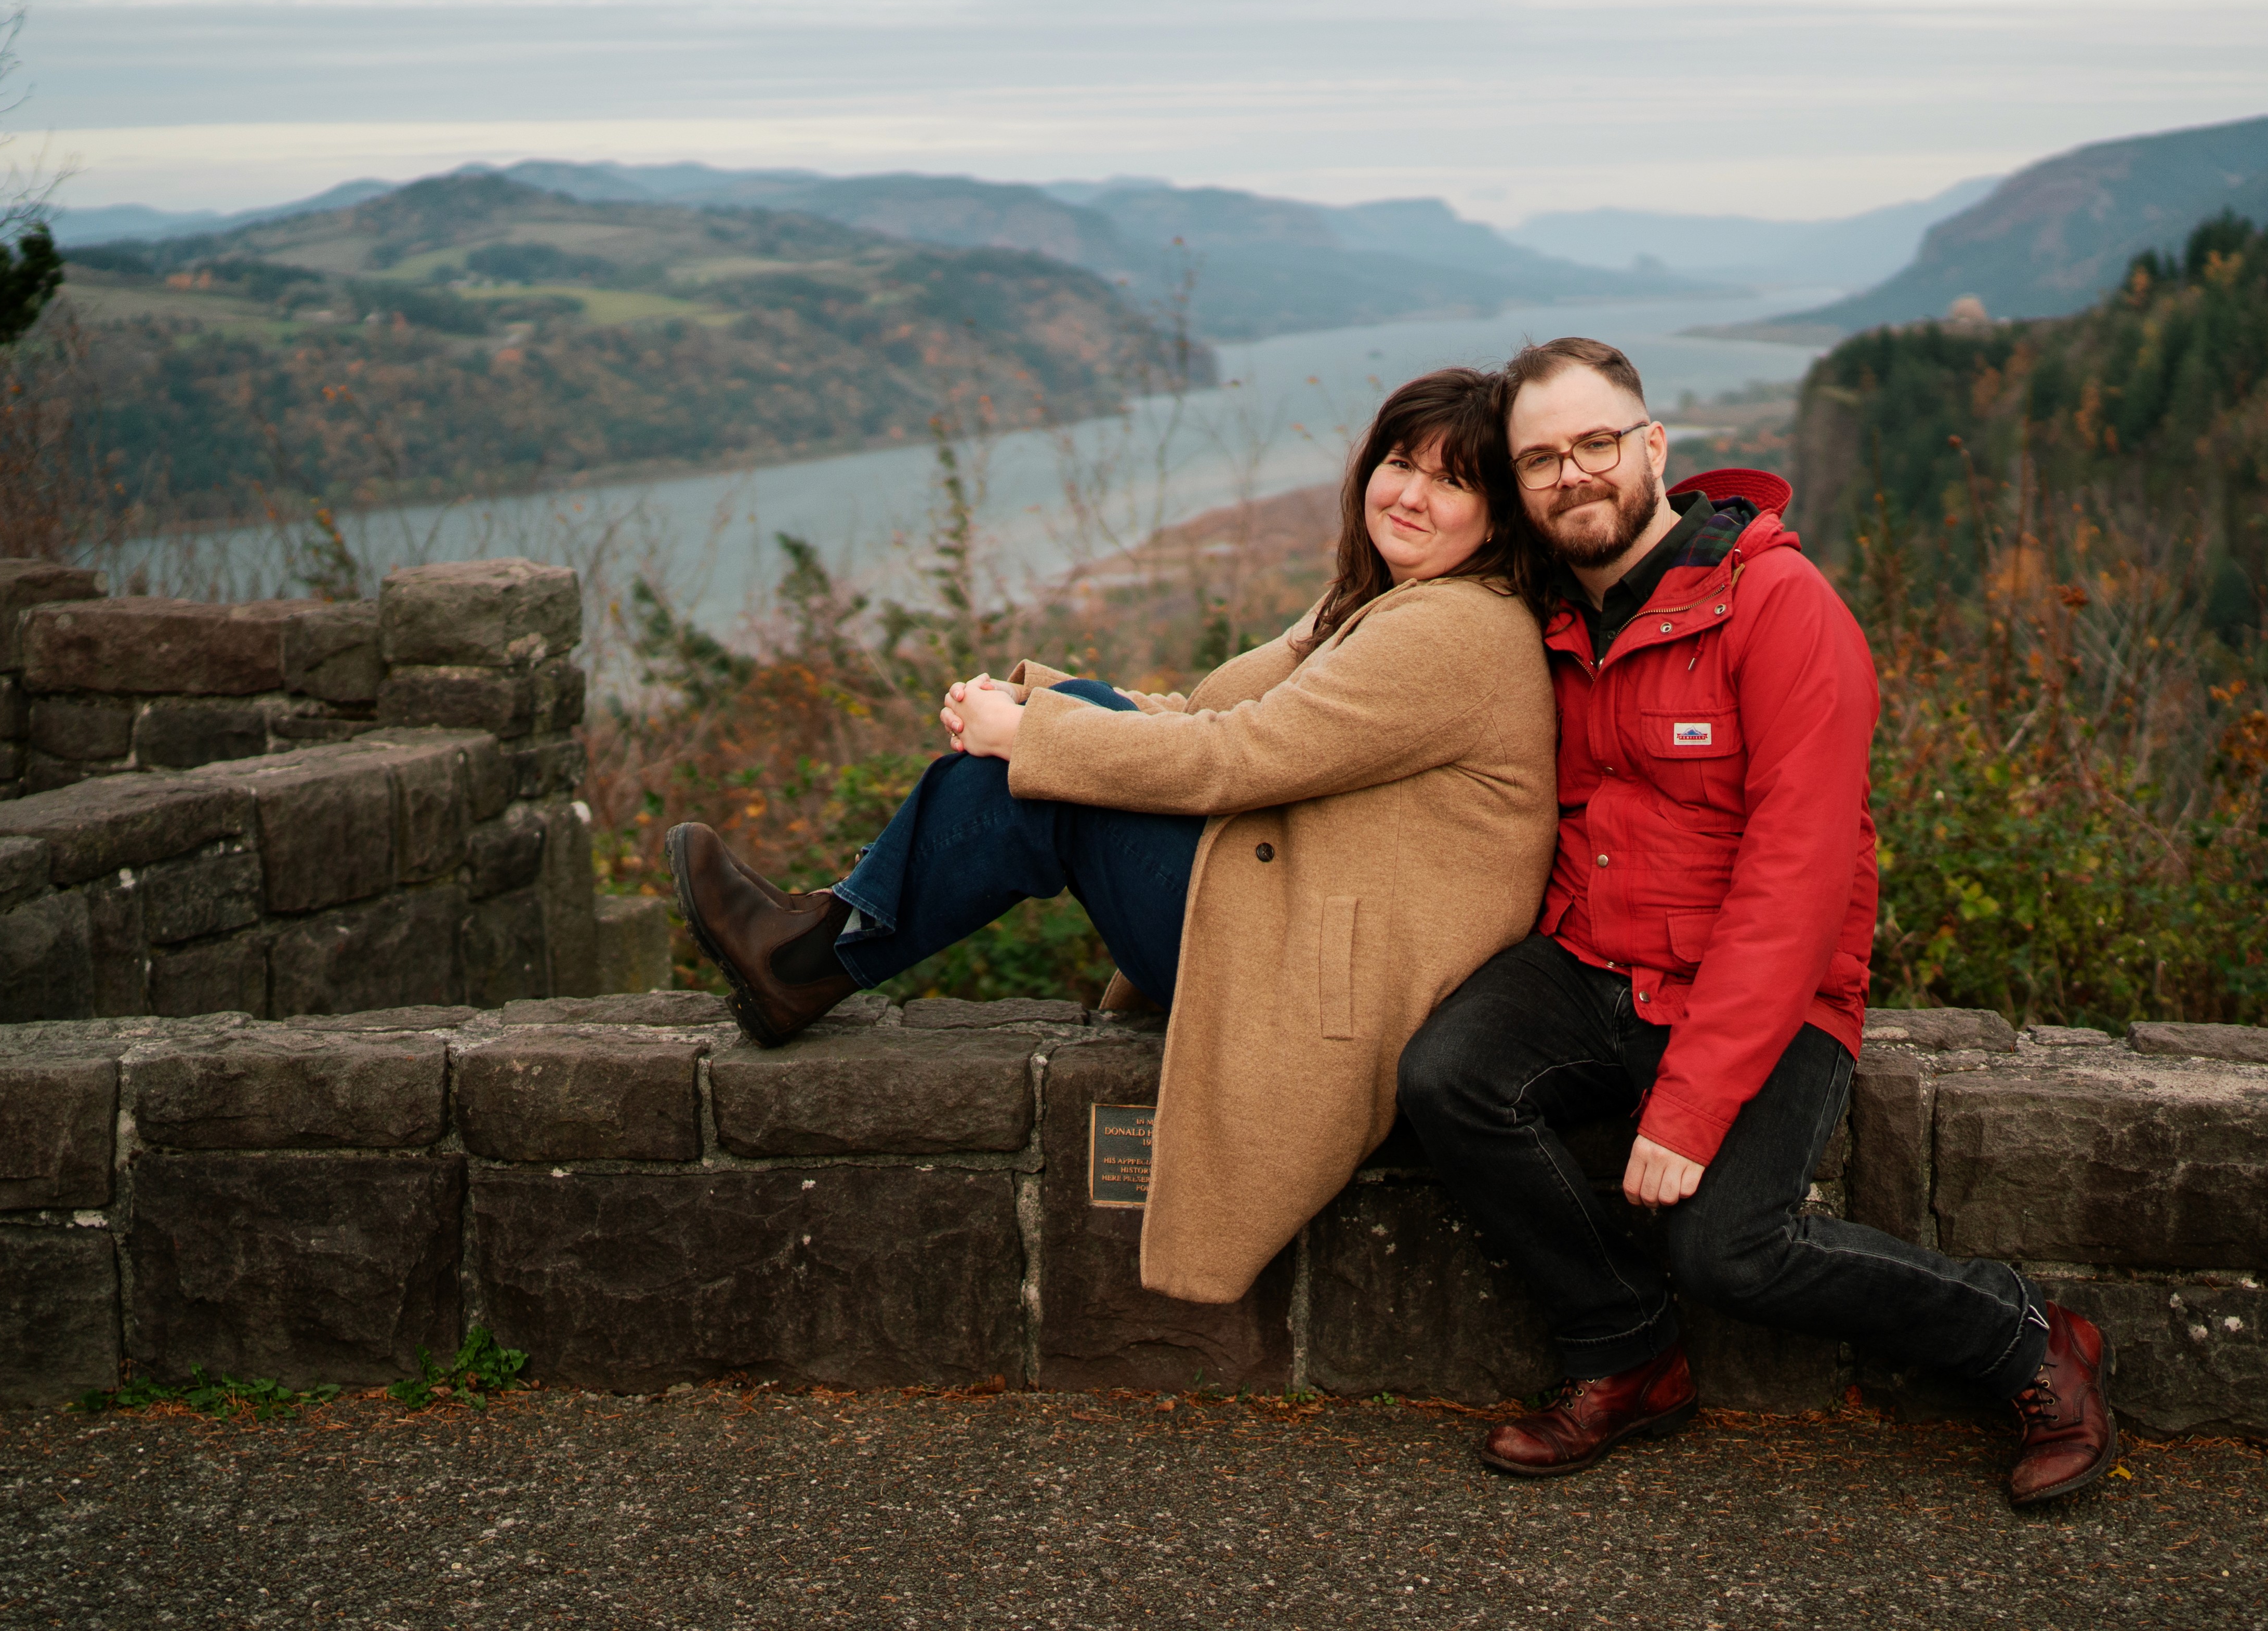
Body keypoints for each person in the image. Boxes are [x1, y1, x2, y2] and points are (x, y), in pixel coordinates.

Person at [1394, 337, 2118, 1508]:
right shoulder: (1546, 614)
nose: (1573, 474)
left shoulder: (1779, 604)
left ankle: (2027, 1337)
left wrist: (1687, 1104)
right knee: (1446, 1078)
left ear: (1654, 447)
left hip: (1772, 990)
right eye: (1541, 459)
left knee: (1728, 1248)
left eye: (1594, 443)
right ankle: (1626, 1353)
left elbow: (1798, 878)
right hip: (1596, 961)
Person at [668, 367, 1560, 1302]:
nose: (1411, 494)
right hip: (1296, 935)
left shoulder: (1457, 631)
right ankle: (811, 949)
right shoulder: (1372, 602)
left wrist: (1038, 739)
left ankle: (808, 957)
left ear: (1497, 516)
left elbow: (1234, 759)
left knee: (1038, 791)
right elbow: (1201, 713)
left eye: (1452, 480)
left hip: (1331, 989)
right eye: (1398, 462)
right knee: (1049, 751)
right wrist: (1034, 705)